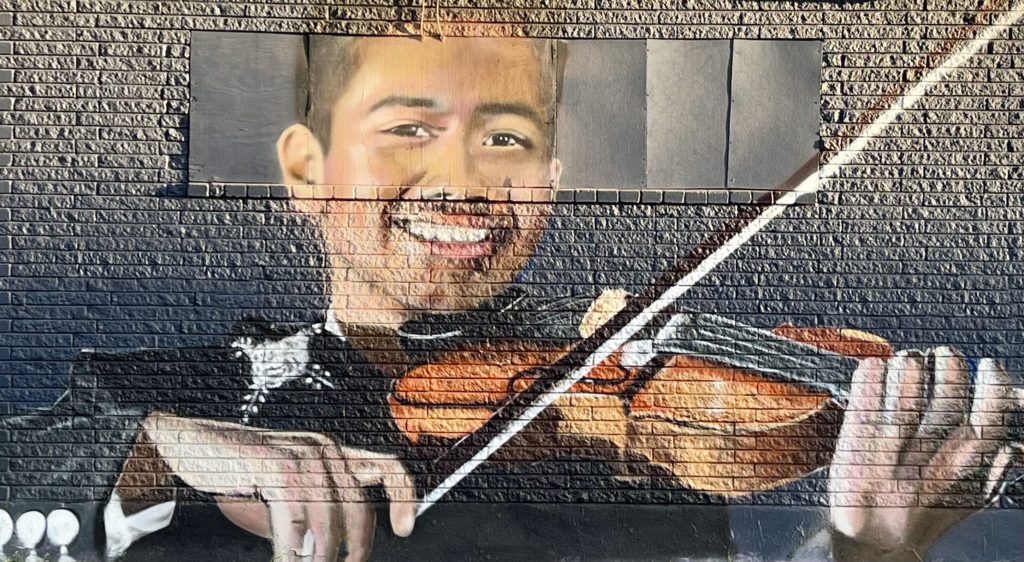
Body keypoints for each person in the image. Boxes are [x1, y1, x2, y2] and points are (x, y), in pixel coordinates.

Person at [3, 35, 1020, 562]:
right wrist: (153, 450)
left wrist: (864, 549)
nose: (465, 182)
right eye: (408, 128)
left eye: (506, 139)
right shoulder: (156, 396)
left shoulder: (639, 470)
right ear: (306, 171)